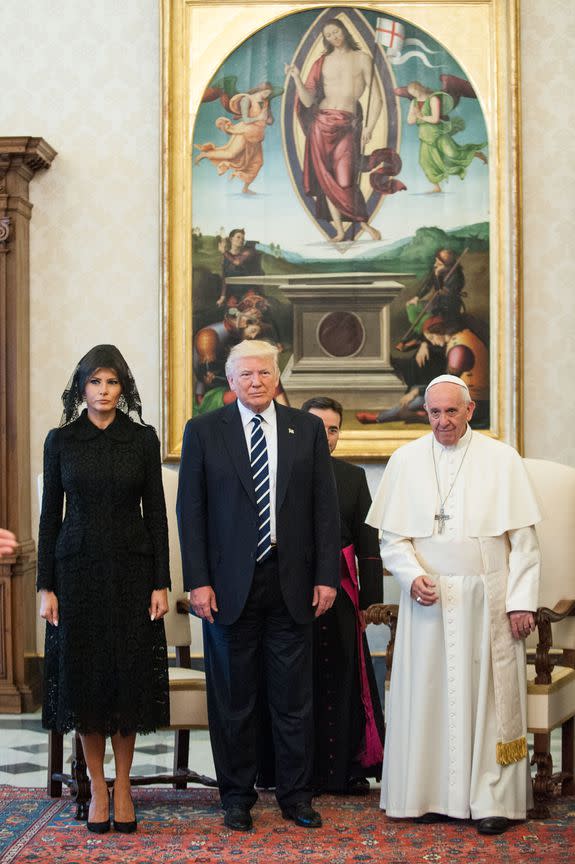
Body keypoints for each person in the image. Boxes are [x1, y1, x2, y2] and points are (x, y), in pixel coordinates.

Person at [366, 374, 541, 835]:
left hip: (489, 599)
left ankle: (492, 800)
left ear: (469, 411)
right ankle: (426, 796)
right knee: (427, 697)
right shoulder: (405, 460)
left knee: (488, 701)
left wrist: (522, 602)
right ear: (425, 413)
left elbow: (524, 541)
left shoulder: (501, 459)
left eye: (451, 411)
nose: (443, 421)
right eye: (434, 412)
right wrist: (411, 577)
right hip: (429, 601)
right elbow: (392, 538)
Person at [177, 340, 340, 831]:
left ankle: (295, 796)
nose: (255, 382)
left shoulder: (305, 429)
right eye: (245, 374)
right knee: (234, 700)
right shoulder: (205, 431)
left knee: (293, 700)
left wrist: (326, 576)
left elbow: (324, 510)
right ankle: (236, 798)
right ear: (230, 382)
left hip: (291, 584)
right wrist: (198, 582)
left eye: (264, 373)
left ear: (276, 378)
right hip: (227, 589)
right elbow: (192, 513)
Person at [37, 345, 170, 835]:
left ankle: (126, 785)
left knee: (127, 679)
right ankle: (96, 785)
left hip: (133, 576)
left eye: (111, 382)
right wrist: (45, 586)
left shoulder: (141, 440)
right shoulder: (61, 440)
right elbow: (50, 517)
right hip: (76, 575)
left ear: (123, 388)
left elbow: (156, 514)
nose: (103, 391)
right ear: (81, 388)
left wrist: (162, 582)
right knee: (87, 681)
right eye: (95, 382)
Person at [302, 396, 384, 793]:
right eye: (318, 427)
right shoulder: (283, 472)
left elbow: (369, 544)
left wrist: (370, 604)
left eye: (333, 429)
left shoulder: (353, 477)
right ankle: (300, 773)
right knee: (299, 685)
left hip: (342, 599)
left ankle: (342, 771)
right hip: (293, 596)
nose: (325, 435)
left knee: (342, 685)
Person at [285, 18, 383, 242]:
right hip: (321, 124)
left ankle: (364, 225)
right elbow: (309, 101)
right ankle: (340, 231)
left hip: (347, 125)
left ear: (344, 31)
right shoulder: (322, 62)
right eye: (328, 35)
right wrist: (297, 78)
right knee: (325, 179)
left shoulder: (363, 59)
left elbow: (377, 98)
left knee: (345, 179)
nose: (333, 37)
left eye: (335, 32)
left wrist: (370, 126)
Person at [195, 83, 277, 194]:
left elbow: (269, 121)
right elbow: (246, 120)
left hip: (256, 136)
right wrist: (259, 117)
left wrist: (268, 117)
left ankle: (245, 188)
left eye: (269, 94)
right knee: (231, 154)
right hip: (245, 132)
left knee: (258, 162)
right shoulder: (246, 100)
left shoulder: (265, 102)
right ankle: (205, 154)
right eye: (266, 93)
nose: (267, 95)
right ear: (260, 90)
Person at [406, 81, 487, 193]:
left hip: (438, 133)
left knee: (453, 153)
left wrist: (421, 116)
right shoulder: (414, 103)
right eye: (411, 93)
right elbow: (410, 121)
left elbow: (435, 119)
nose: (414, 95)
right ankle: (437, 187)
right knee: (425, 161)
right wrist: (415, 116)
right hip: (425, 135)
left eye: (415, 91)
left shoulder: (433, 99)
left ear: (420, 88)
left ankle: (476, 153)